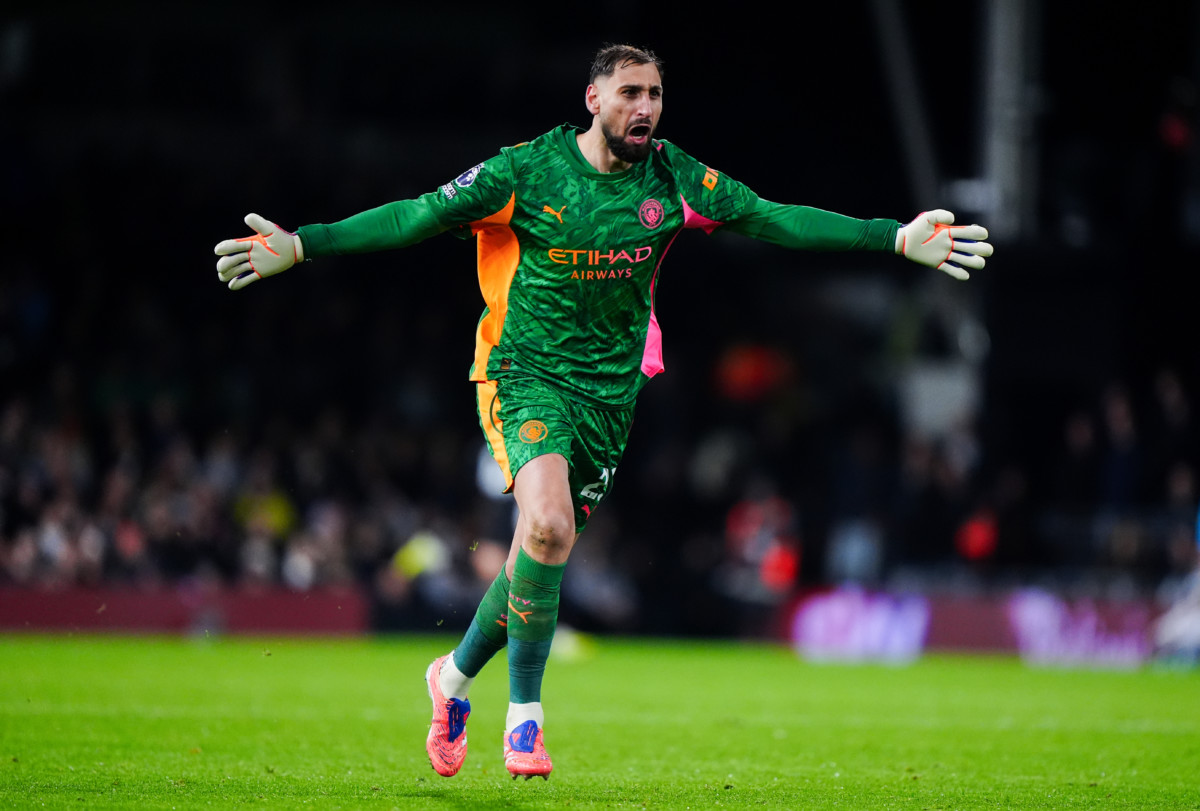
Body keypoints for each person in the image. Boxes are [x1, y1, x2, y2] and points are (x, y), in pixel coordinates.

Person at [213, 43, 994, 780]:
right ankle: (525, 717)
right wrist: (305, 244)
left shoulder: (673, 179)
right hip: (522, 375)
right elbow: (415, 215)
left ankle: (450, 679)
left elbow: (775, 217)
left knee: (538, 549)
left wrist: (893, 237)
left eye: (654, 93)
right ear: (594, 100)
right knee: (547, 525)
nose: (645, 106)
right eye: (630, 92)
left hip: (610, 396)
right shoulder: (525, 171)